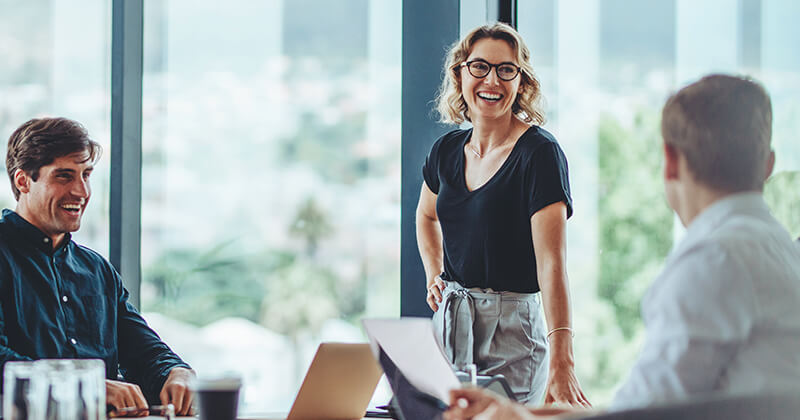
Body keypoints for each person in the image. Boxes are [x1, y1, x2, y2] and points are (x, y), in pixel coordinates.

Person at [443, 74, 800, 419]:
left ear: (671, 163)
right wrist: (521, 413)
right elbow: (650, 406)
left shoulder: (715, 262)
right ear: (768, 165)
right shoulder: (782, 251)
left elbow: (642, 416)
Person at [416, 22, 588, 406]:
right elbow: (426, 216)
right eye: (479, 66)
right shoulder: (445, 151)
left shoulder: (539, 154)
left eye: (505, 69)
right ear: (460, 74)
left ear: (521, 81)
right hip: (450, 323)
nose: (491, 80)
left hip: (512, 332)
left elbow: (552, 264)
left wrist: (563, 360)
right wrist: (433, 274)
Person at [0, 117, 196, 416]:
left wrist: (176, 372)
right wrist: (86, 386)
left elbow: (143, 349)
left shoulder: (97, 270)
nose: (81, 191)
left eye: (86, 175)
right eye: (64, 176)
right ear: (23, 181)